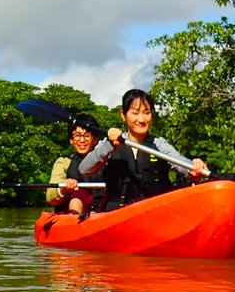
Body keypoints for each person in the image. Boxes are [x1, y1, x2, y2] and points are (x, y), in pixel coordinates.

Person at [78, 88, 207, 210]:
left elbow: (180, 162)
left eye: (147, 113)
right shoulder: (109, 144)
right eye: (135, 113)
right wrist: (110, 145)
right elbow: (84, 169)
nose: (142, 119)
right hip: (117, 216)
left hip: (156, 213)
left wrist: (194, 168)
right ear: (123, 115)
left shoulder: (159, 144)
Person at [46, 116, 100, 215]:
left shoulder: (106, 161)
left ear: (95, 139)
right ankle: (75, 220)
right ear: (71, 139)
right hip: (73, 209)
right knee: (78, 194)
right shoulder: (63, 162)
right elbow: (50, 197)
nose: (82, 140)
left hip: (100, 211)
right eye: (77, 135)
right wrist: (63, 188)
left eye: (87, 135)